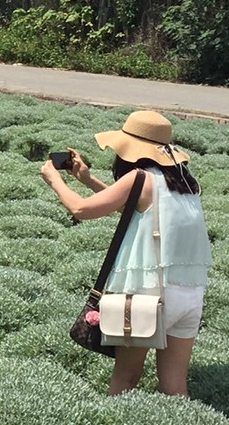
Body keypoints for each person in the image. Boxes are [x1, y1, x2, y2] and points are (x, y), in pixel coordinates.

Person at [41, 110, 212, 397]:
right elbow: (136, 206)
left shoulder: (139, 178)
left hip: (148, 294)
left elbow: (81, 210)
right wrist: (87, 179)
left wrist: (54, 179)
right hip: (190, 296)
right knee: (174, 387)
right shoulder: (185, 183)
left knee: (126, 379)